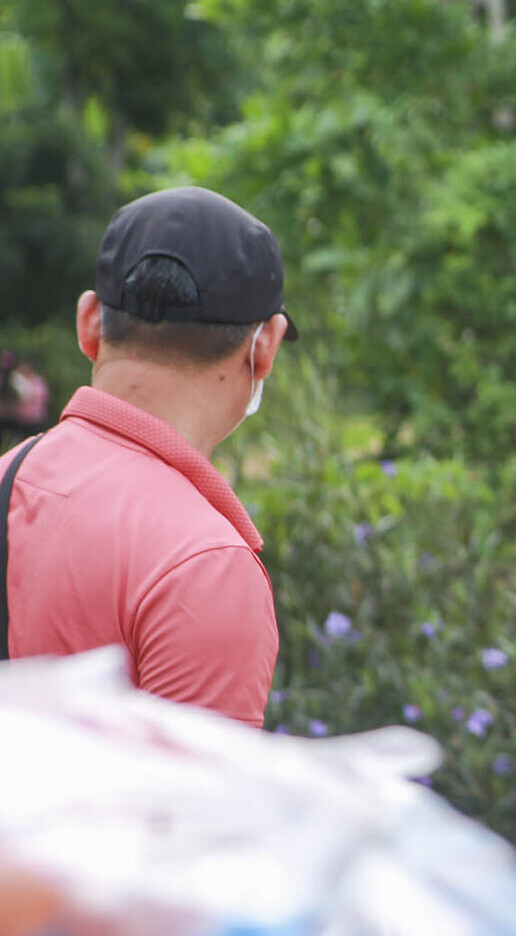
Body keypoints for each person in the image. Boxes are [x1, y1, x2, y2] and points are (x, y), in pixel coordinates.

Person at [0, 186, 295, 727]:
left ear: (89, 323)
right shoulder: (205, 565)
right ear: (264, 347)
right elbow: (198, 811)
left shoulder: (7, 478)